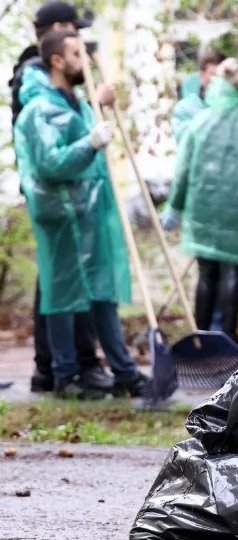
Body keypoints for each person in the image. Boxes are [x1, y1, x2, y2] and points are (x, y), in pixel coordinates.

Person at [14, 29, 151, 399]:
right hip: (62, 217)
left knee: (102, 292)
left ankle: (124, 371)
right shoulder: (39, 111)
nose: (85, 61)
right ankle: (65, 375)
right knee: (63, 295)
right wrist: (90, 143)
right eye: (77, 54)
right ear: (57, 60)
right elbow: (50, 163)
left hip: (91, 212)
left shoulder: (78, 104)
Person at [8, 1, 117, 393]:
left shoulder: (43, 75)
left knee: (64, 278)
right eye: (75, 31)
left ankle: (61, 366)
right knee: (62, 281)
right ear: (57, 31)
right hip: (58, 195)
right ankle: (66, 367)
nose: (81, 42)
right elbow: (49, 140)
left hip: (70, 192)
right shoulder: (34, 77)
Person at [162, 59, 238, 347]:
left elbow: (183, 169)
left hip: (203, 209)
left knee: (207, 273)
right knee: (232, 271)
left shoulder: (200, 122)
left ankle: (202, 340)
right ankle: (227, 341)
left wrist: (175, 206)